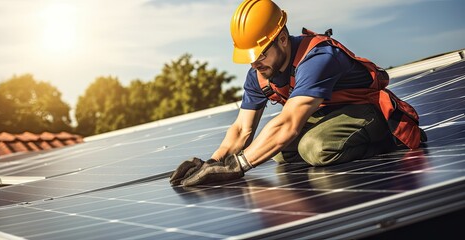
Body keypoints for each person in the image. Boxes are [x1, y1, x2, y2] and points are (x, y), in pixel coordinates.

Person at [170, 0, 425, 187]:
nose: (254, 64)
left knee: (315, 148)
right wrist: (212, 161)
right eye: (249, 58)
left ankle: (386, 143)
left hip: (369, 112)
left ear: (282, 38)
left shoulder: (318, 58)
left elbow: (289, 123)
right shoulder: (260, 73)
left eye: (259, 55)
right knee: (278, 150)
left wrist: (238, 166)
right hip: (327, 116)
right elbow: (241, 130)